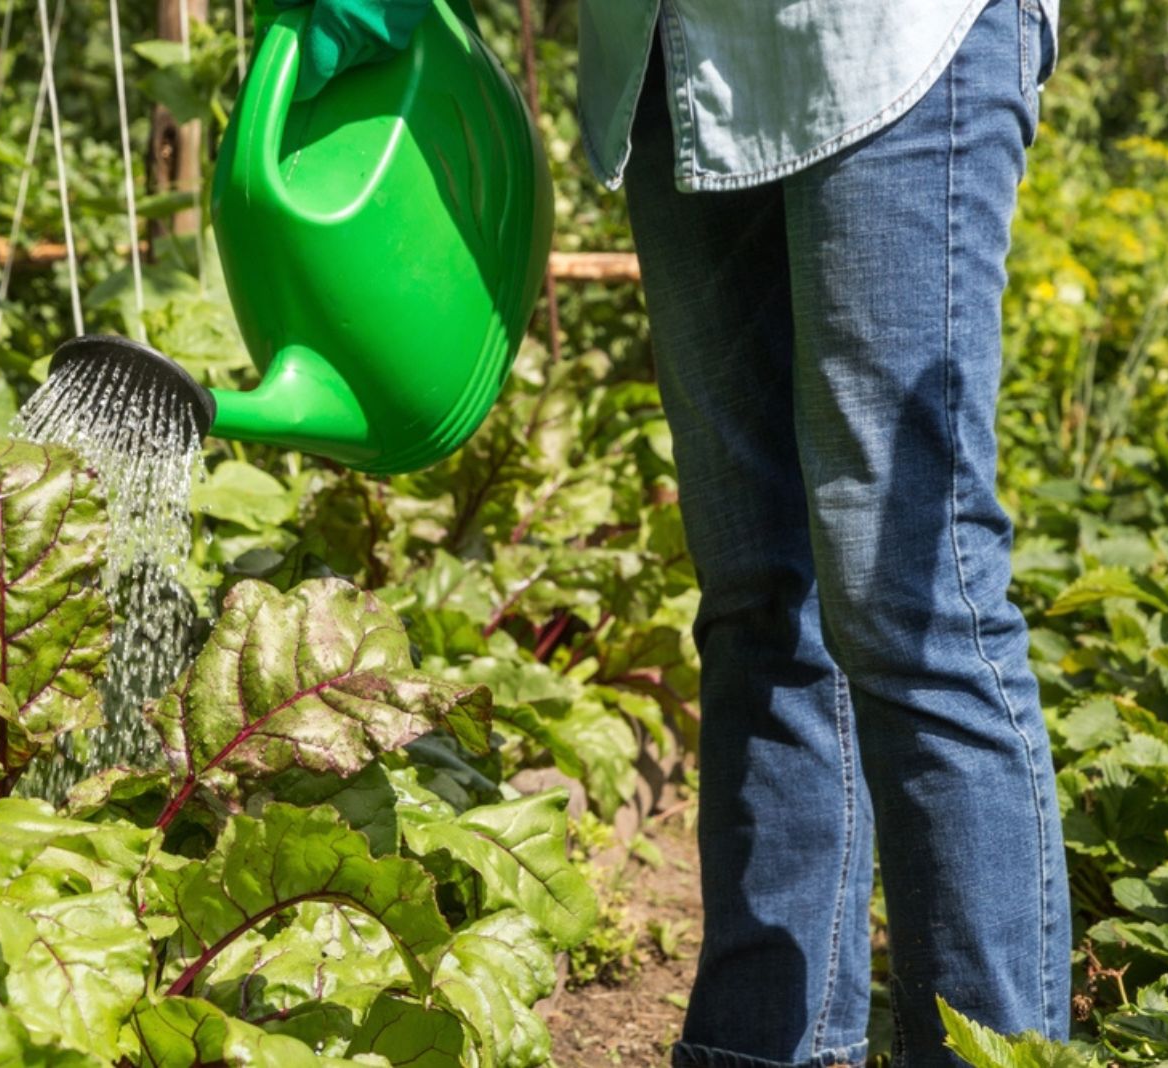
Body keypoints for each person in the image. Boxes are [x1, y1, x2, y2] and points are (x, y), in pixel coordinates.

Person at [276, 0, 1072, 1063]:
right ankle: (757, 1049)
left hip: (883, 38)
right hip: (669, 58)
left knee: (913, 608)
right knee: (755, 597)